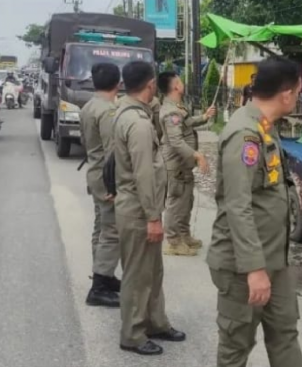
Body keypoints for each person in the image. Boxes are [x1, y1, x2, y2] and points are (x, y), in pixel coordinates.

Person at [207, 56, 302, 367]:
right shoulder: (244, 134)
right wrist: (254, 269)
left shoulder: (265, 127)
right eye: (299, 91)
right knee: (237, 345)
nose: (299, 97)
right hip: (242, 266)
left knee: (285, 334)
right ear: (287, 94)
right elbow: (238, 205)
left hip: (275, 258)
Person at [114, 61, 185, 356]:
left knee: (153, 271)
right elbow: (144, 174)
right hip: (138, 210)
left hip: (139, 206)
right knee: (138, 274)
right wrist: (154, 218)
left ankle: (155, 321)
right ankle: (132, 332)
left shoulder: (130, 111)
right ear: (150, 84)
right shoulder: (139, 124)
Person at [158, 71, 216, 256]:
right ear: (175, 86)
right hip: (176, 165)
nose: (182, 83)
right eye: (180, 81)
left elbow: (187, 122)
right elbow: (176, 142)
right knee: (176, 203)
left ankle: (184, 235)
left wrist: (204, 117)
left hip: (184, 165)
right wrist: (197, 155)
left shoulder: (177, 108)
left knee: (186, 201)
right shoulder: (171, 112)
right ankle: (174, 242)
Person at [79, 63, 122, 308]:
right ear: (118, 83)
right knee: (111, 231)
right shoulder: (108, 111)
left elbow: (86, 142)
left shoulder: (88, 107)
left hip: (94, 173)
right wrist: (114, 187)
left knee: (100, 227)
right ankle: (99, 286)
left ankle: (102, 275)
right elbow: (112, 153)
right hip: (107, 178)